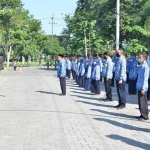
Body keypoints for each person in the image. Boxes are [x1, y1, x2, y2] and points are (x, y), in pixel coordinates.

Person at [136, 52, 149, 121]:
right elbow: (137, 69)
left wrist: (143, 88)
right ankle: (142, 114)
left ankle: (145, 116)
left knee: (143, 102)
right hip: (139, 86)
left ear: (144, 58)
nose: (139, 58)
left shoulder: (146, 67)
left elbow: (145, 79)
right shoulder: (141, 65)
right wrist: (137, 62)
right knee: (140, 101)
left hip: (143, 87)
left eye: (140, 57)